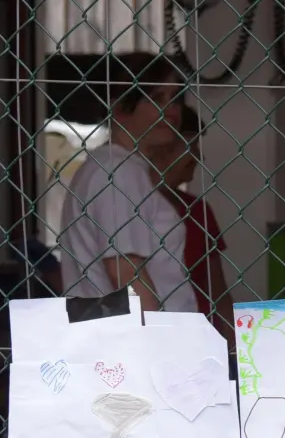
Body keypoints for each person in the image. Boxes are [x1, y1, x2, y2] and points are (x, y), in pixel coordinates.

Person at [57, 52, 192, 313]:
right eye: (156, 98)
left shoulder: (115, 166)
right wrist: (157, 339)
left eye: (175, 98)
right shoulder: (119, 171)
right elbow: (127, 274)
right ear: (120, 107)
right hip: (141, 342)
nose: (172, 112)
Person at [152, 104, 233, 336]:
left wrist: (235, 350)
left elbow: (218, 292)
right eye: (191, 144)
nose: (199, 155)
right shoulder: (126, 210)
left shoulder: (197, 211)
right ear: (162, 147)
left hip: (202, 339)